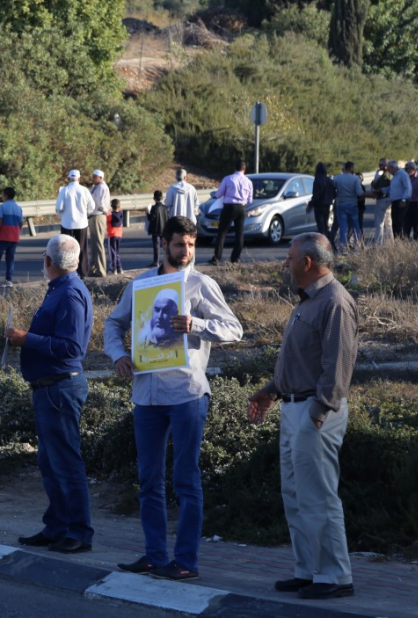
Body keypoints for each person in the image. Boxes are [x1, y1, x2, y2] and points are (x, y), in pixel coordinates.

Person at [105, 216, 243, 581]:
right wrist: (118, 355)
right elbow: (113, 323)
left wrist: (196, 324)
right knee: (149, 480)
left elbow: (234, 329)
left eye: (191, 245)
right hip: (147, 395)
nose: (186, 252)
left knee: (185, 479)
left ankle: (185, 562)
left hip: (187, 394)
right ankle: (153, 555)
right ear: (164, 244)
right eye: (180, 244)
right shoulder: (141, 284)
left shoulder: (201, 284)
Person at [247, 232, 358, 600]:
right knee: (295, 494)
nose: (286, 262)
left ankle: (335, 575)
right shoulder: (308, 301)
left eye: (290, 256)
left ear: (308, 262)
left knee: (318, 496)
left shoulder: (335, 302)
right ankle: (309, 570)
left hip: (314, 412)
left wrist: (318, 412)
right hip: (293, 406)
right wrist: (272, 389)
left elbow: (337, 367)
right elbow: (302, 362)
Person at [8, 234, 94, 554]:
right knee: (50, 462)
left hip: (60, 386)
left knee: (65, 462)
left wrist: (27, 340)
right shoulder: (60, 289)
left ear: (48, 261)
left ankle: (79, 531)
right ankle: (57, 526)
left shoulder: (70, 293)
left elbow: (72, 347)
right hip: (49, 388)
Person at [208, 160, 253, 266]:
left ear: (235, 168)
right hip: (242, 208)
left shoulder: (228, 179)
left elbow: (218, 194)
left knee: (222, 232)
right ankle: (235, 259)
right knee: (239, 233)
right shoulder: (248, 181)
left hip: (229, 207)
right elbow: (250, 200)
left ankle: (217, 258)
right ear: (244, 169)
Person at [55, 170, 94, 278]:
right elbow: (92, 206)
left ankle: (67, 271)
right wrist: (86, 213)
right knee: (82, 248)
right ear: (79, 178)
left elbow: (59, 207)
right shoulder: (84, 190)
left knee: (66, 249)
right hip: (81, 224)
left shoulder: (65, 190)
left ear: (68, 178)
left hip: (67, 223)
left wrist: (62, 214)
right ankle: (82, 272)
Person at [0, 187, 23, 289]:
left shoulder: (2, 207)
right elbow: (21, 222)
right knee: (10, 259)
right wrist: (16, 231)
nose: (2, 197)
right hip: (14, 237)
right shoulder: (18, 208)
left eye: (3, 195)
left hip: (2, 236)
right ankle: (9, 280)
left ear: (6, 196)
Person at [333, 161, 364, 251]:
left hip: (341, 204)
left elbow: (333, 189)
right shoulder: (355, 179)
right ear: (351, 168)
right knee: (355, 226)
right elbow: (359, 192)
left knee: (343, 227)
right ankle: (357, 245)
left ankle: (343, 247)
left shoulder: (337, 178)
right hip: (353, 204)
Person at [87, 169, 111, 278]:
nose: (93, 179)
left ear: (100, 178)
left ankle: (101, 270)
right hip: (93, 216)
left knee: (98, 244)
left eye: (95, 177)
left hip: (98, 215)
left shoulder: (101, 187)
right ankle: (92, 269)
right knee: (93, 245)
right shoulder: (94, 187)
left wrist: (105, 210)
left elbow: (100, 202)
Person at [307, 162, 335, 239]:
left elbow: (316, 196)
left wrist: (310, 204)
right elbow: (334, 193)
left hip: (319, 206)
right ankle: (328, 241)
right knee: (325, 225)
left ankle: (322, 241)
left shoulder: (317, 180)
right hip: (328, 205)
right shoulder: (329, 180)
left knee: (320, 226)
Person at [369, 159, 393, 245]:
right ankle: (391, 243)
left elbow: (375, 186)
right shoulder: (390, 174)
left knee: (379, 223)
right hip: (389, 200)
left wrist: (376, 177)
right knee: (389, 223)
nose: (380, 167)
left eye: (381, 165)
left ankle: (379, 243)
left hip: (383, 199)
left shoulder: (385, 175)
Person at [387, 160, 411, 240]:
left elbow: (408, 188)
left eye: (389, 169)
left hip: (401, 201)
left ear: (393, 167)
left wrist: (404, 200)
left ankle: (402, 240)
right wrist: (382, 190)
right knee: (395, 223)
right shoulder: (395, 176)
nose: (388, 171)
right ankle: (397, 240)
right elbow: (392, 188)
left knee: (400, 222)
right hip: (395, 202)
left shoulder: (402, 174)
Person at [147, 191, 169, 266]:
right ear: (162, 198)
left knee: (156, 246)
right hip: (164, 229)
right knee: (165, 246)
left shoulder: (154, 208)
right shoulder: (165, 208)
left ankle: (156, 261)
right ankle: (167, 260)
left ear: (154, 198)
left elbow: (151, 218)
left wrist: (147, 213)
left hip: (156, 229)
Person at [107, 198, 123, 274]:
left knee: (112, 252)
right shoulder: (121, 214)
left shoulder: (110, 215)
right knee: (117, 252)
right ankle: (119, 267)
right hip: (119, 234)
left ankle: (114, 268)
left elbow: (106, 219)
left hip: (112, 234)